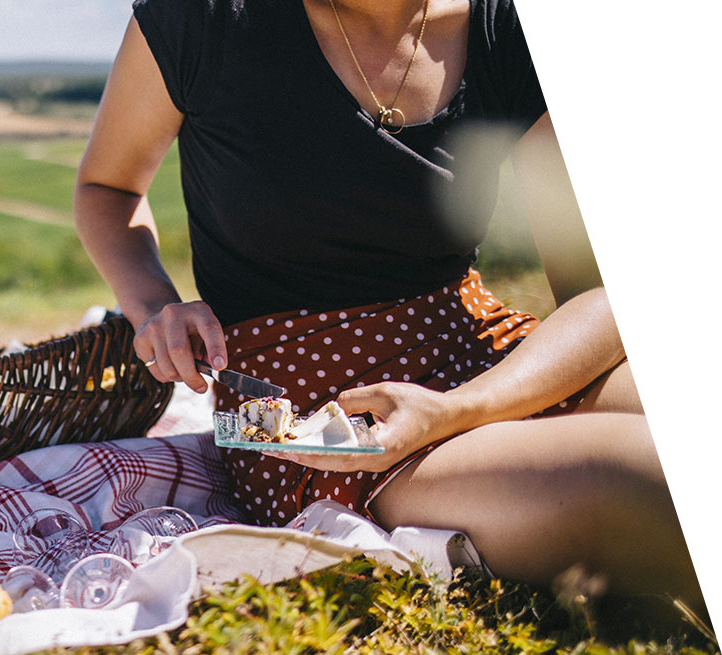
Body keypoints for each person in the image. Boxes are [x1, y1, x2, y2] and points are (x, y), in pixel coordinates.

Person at [73, 0, 706, 612]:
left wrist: (461, 408)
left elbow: (598, 290)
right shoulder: (198, 17)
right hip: (304, 415)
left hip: (480, 353)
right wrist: (156, 305)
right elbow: (107, 185)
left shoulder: (507, 26)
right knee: (656, 481)